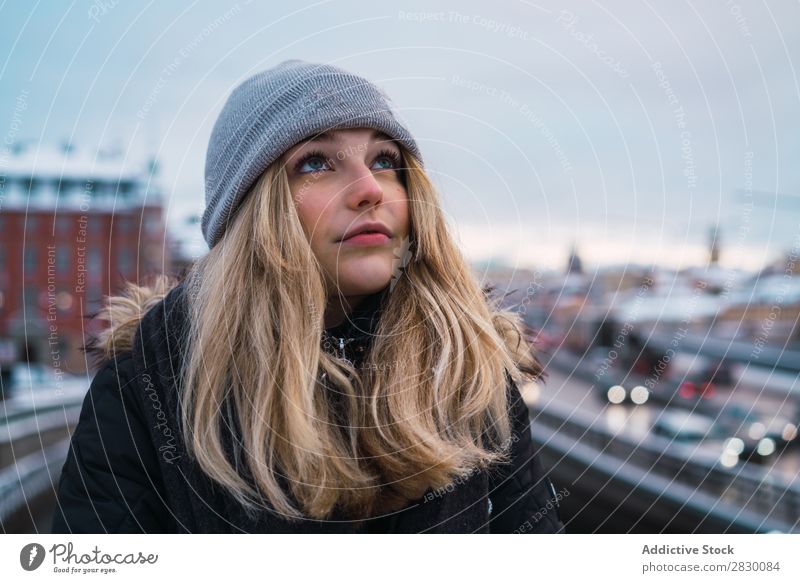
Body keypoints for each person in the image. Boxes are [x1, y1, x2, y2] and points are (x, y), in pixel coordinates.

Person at [50, 59, 564, 534]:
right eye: (316, 163)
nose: (371, 188)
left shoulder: (469, 372)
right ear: (254, 211)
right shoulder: (150, 387)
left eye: (384, 159)